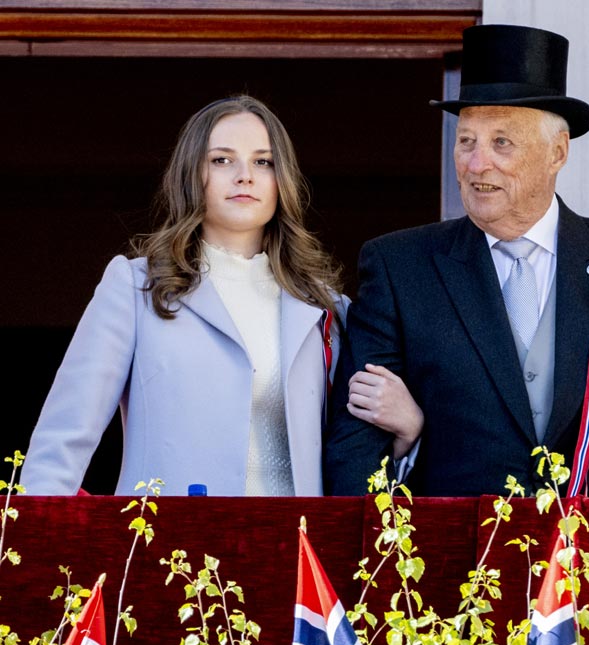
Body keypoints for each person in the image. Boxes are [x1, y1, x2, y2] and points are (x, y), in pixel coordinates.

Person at [324, 24, 589, 499]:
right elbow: (354, 450)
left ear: (557, 153)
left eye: (502, 142)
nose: (476, 163)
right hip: (453, 565)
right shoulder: (399, 267)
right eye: (466, 141)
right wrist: (382, 567)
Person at [22, 95, 422, 496]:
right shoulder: (135, 287)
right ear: (190, 175)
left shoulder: (325, 309)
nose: (245, 175)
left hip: (295, 549)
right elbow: (64, 438)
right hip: (170, 551)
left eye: (263, 161)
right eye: (222, 160)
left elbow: (356, 458)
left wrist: (408, 430)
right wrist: (38, 541)